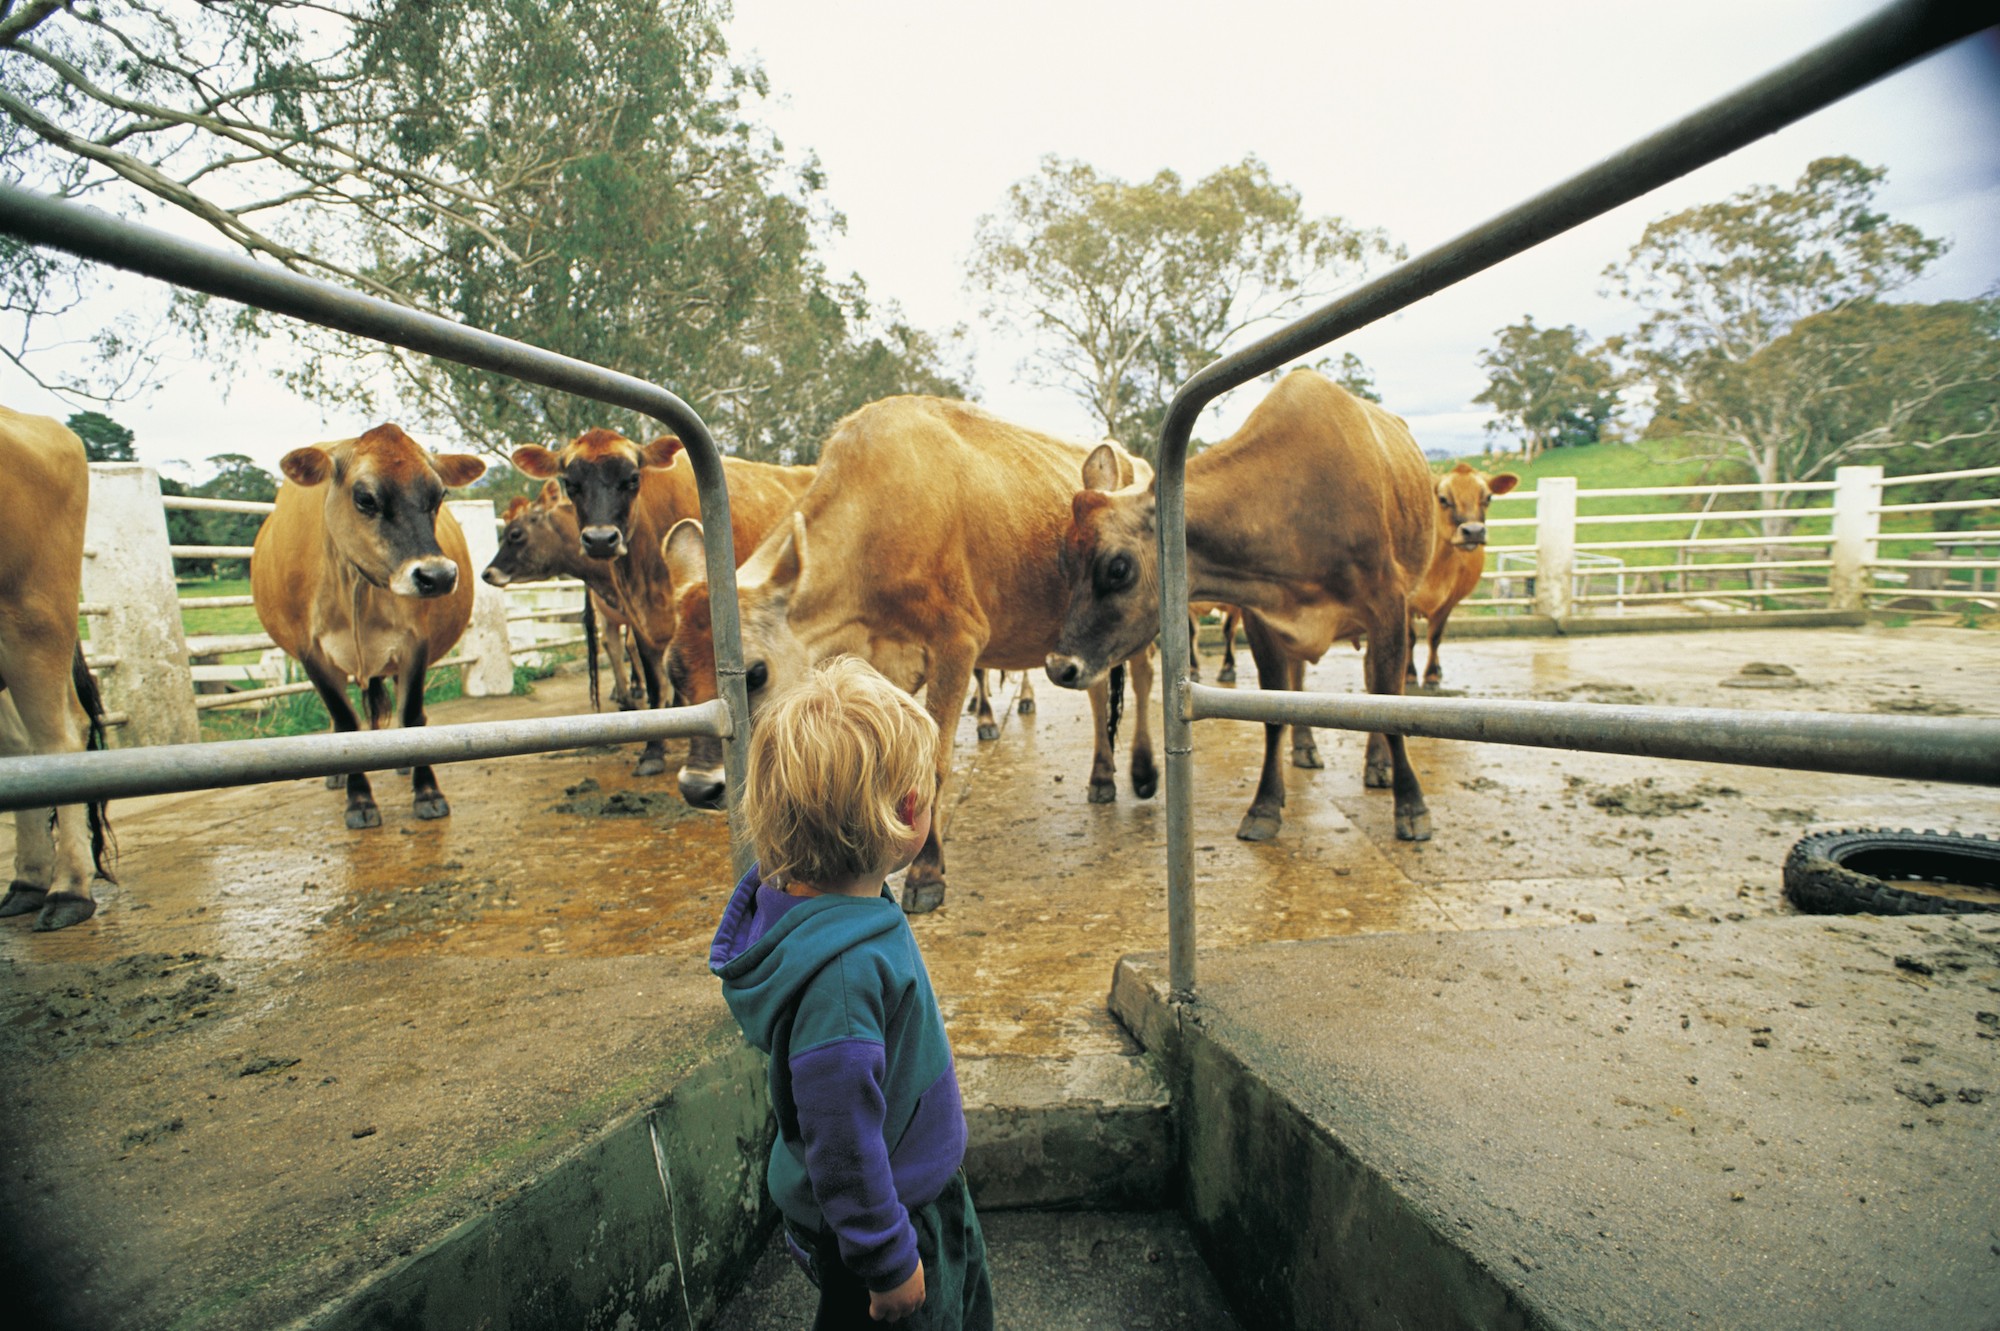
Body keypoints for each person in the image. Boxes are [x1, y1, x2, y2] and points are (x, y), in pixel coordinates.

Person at [710, 655, 994, 1329]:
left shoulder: (816, 907)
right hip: (889, 1221)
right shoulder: (841, 980)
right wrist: (888, 1260)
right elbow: (841, 1142)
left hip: (907, 1192)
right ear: (905, 815)